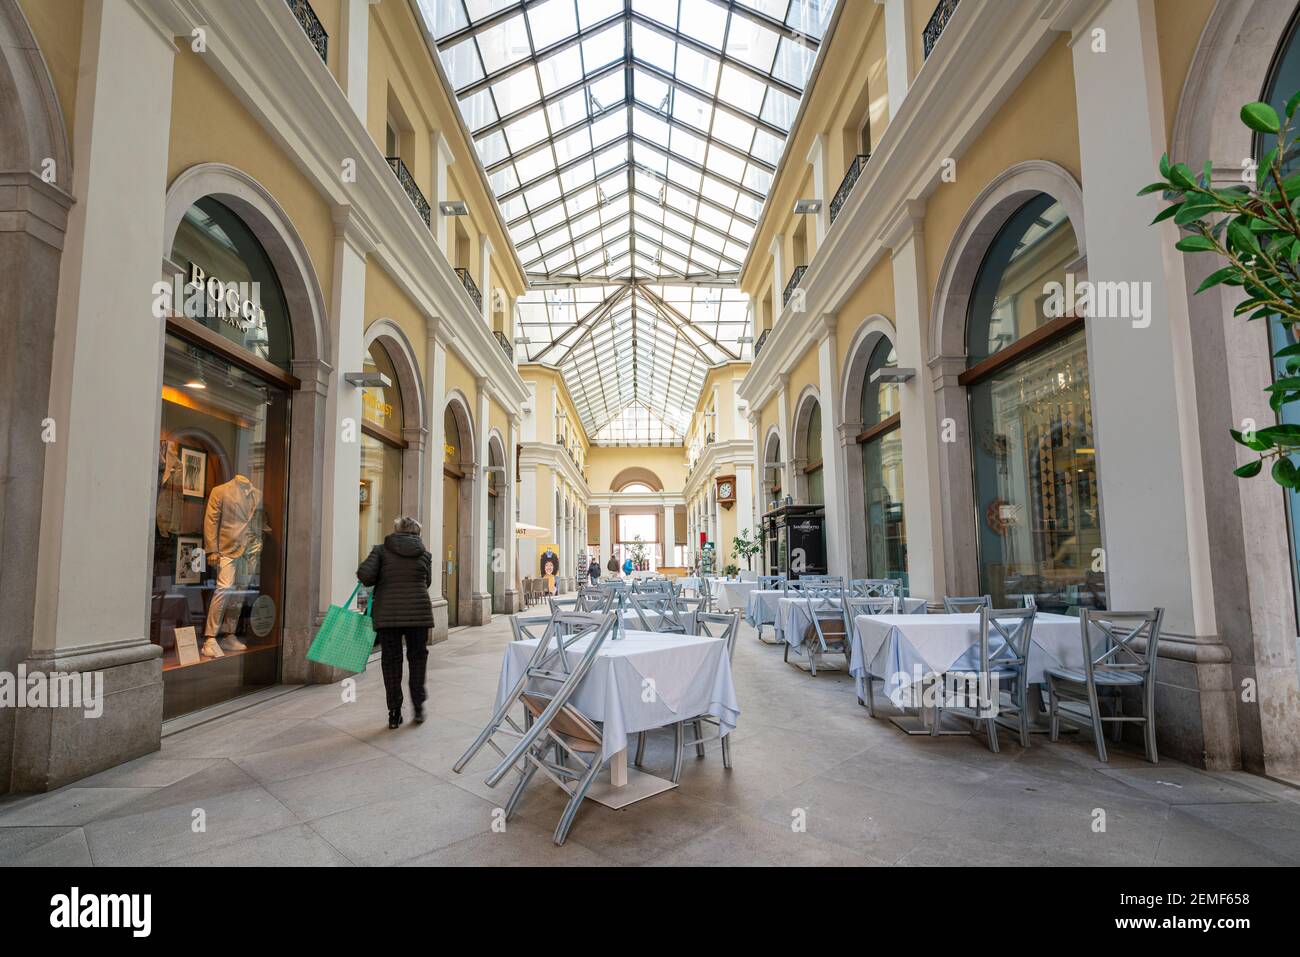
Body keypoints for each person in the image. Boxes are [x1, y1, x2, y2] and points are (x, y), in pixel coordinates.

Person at [357, 516, 433, 729]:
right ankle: (418, 708)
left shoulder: (381, 551)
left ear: (396, 530)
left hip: (388, 616)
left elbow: (364, 576)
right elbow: (427, 582)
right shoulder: (425, 554)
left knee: (391, 662)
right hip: (418, 615)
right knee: (418, 660)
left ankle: (394, 713)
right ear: (417, 532)